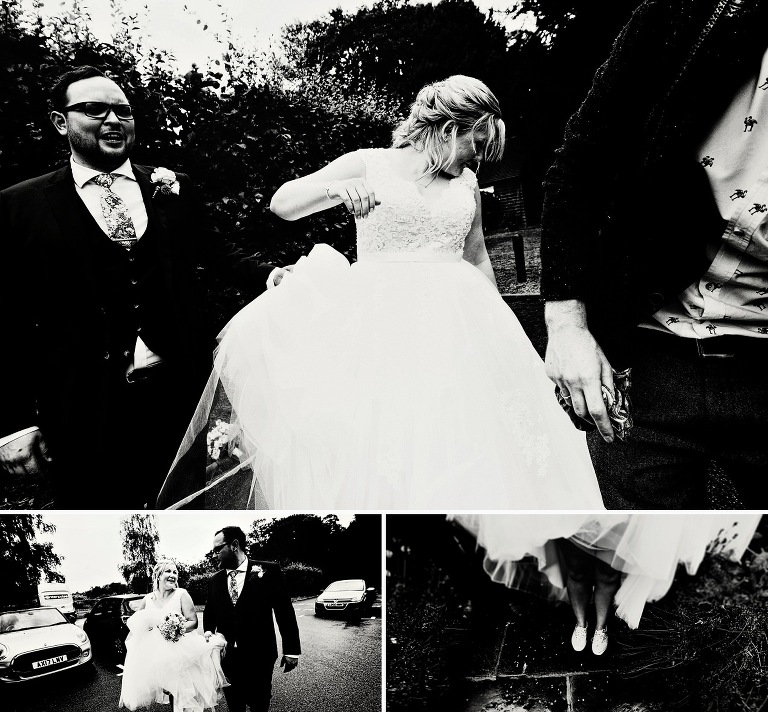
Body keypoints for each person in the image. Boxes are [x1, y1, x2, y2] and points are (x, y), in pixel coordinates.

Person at [159, 74, 604, 509]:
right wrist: (336, 188)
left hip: (457, 321)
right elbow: (282, 203)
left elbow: (476, 254)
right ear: (447, 129)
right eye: (476, 143)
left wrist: (501, 328)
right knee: (389, 432)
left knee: (469, 428)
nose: (479, 159)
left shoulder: (466, 182)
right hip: (381, 324)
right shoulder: (369, 163)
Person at [0, 65, 279, 509]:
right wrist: (14, 423)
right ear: (60, 122)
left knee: (185, 507)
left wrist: (270, 276)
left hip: (178, 396)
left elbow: (219, 254)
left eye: (123, 111)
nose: (113, 121)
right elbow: (5, 317)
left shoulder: (173, 187)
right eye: (94, 110)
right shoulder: (19, 205)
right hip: (82, 407)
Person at [541, 0, 768, 509]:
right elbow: (580, 165)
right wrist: (567, 325)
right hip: (643, 357)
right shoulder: (687, 14)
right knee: (637, 559)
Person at [448, 513, 762, 653]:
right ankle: (581, 623)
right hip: (578, 516)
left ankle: (601, 627)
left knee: (609, 573)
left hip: (622, 515)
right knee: (578, 571)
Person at [203, 526, 300, 712]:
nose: (213, 554)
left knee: (260, 697)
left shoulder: (269, 571)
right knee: (234, 700)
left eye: (217, 549)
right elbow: (209, 613)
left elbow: (285, 612)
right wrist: (209, 632)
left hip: (260, 653)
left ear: (234, 545)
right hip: (228, 656)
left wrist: (292, 650)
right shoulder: (215, 581)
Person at [119, 559, 228, 712]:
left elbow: (193, 622)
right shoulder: (148, 599)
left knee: (178, 691)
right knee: (172, 691)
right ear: (157, 575)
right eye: (168, 571)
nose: (173, 575)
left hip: (180, 650)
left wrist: (176, 628)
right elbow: (139, 624)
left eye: (175, 572)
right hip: (156, 654)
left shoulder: (182, 594)